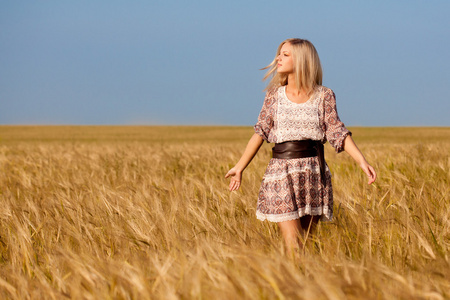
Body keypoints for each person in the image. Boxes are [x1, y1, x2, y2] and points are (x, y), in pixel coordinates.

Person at [225, 38, 376, 251]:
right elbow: (260, 132)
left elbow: (337, 131)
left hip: (313, 173)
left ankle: (302, 282)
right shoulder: (274, 96)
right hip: (281, 173)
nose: (278, 58)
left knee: (306, 243)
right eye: (279, 53)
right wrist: (240, 167)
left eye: (285, 54)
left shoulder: (324, 96)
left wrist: (362, 161)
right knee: (293, 243)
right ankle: (292, 280)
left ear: (303, 60)